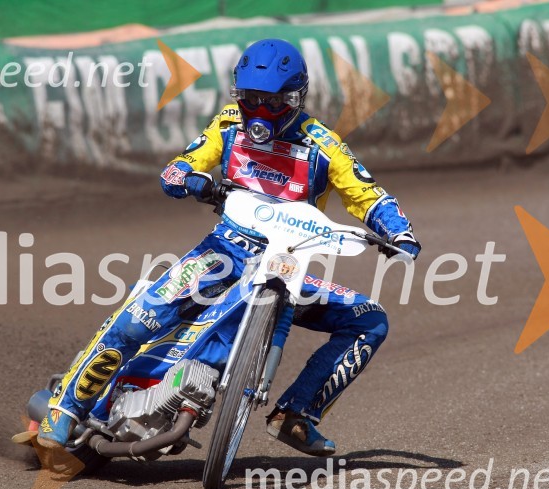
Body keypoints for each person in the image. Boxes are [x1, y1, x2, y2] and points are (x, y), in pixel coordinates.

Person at [37, 38, 420, 457]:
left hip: (286, 266)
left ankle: (296, 414)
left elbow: (367, 194)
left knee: (369, 319)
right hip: (221, 253)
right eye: (251, 99)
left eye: (274, 102)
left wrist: (398, 233)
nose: (260, 111)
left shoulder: (323, 145)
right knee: (138, 319)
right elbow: (177, 168)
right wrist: (189, 179)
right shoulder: (229, 122)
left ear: (296, 98)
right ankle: (66, 408)